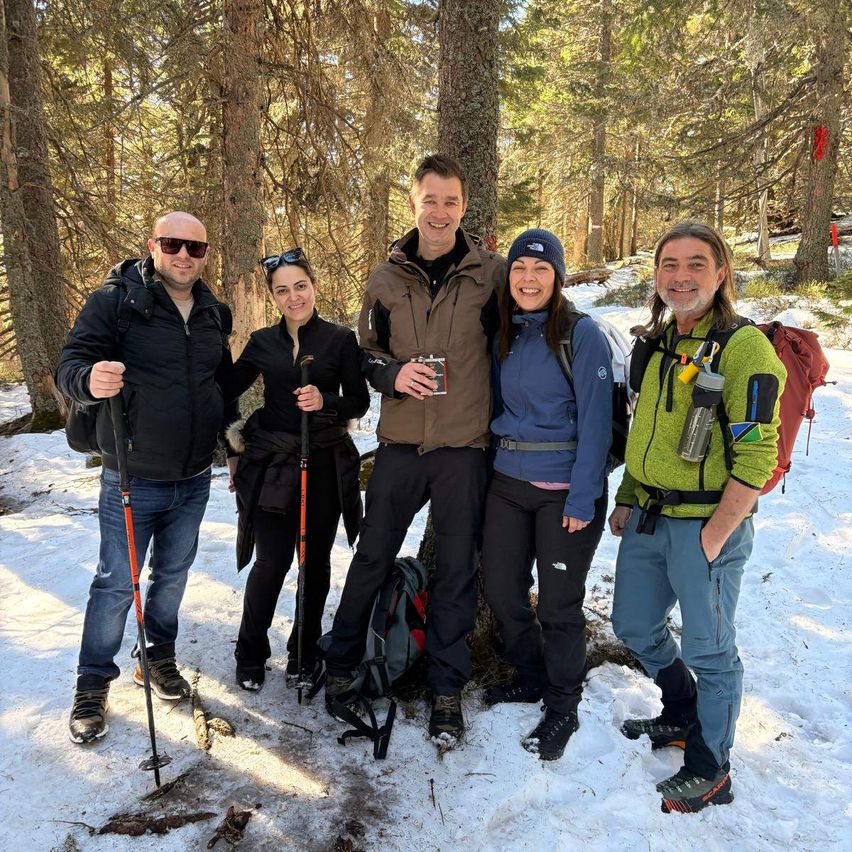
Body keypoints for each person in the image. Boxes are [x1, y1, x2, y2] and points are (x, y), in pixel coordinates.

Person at [322, 154, 505, 742]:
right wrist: (392, 375)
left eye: (451, 201)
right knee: (372, 557)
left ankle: (446, 689)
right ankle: (344, 661)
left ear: (464, 207)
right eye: (431, 200)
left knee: (455, 570)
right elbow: (365, 352)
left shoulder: (492, 274)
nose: (440, 211)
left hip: (463, 449)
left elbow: (528, 329)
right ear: (414, 203)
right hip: (400, 444)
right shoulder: (385, 276)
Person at [609, 221, 786, 812]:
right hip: (650, 518)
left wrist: (716, 535)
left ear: (721, 274)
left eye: (695, 265)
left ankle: (712, 767)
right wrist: (629, 494)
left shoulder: (743, 348)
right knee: (634, 625)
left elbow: (759, 453)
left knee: (711, 649)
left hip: (708, 524)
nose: (680, 277)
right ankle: (682, 710)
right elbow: (647, 431)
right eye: (669, 265)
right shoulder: (658, 343)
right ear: (656, 275)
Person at [57, 212, 234, 744]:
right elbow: (70, 365)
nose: (184, 256)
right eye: (173, 244)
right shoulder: (116, 301)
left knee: (173, 574)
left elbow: (219, 383)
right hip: (132, 473)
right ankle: (92, 684)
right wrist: (89, 379)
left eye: (195, 248)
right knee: (115, 583)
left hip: (194, 474)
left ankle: (156, 657)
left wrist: (236, 439)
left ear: (205, 255)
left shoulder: (212, 311)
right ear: (153, 246)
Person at [480, 229, 612, 761]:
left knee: (559, 606)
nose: (528, 279)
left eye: (540, 270)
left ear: (557, 276)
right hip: (507, 485)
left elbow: (598, 424)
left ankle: (563, 705)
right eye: (518, 269)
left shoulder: (581, 335)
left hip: (565, 492)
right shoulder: (505, 332)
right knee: (504, 592)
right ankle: (531, 674)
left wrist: (583, 498)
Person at [222, 249, 369, 691]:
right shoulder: (262, 342)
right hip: (273, 465)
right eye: (282, 290)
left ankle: (303, 652)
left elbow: (359, 401)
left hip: (324, 462)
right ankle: (250, 651)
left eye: (300, 286)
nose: (293, 297)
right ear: (272, 296)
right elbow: (224, 386)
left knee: (315, 562)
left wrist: (327, 401)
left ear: (314, 287)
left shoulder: (340, 339)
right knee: (270, 561)